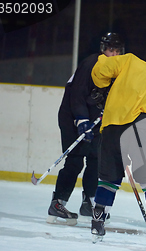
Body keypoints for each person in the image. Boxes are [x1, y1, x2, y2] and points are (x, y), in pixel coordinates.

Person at [89, 51, 146, 243]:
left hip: (112, 127)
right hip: (143, 129)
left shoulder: (130, 61)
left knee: (108, 178)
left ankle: (98, 222)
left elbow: (101, 72)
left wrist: (104, 83)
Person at [46, 32, 125, 226]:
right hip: (72, 117)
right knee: (75, 161)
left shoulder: (118, 69)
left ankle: (89, 202)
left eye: (117, 50)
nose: (113, 54)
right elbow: (77, 95)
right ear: (103, 49)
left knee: (95, 159)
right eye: (110, 50)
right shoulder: (92, 63)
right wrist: (81, 120)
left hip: (94, 119)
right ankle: (57, 203)